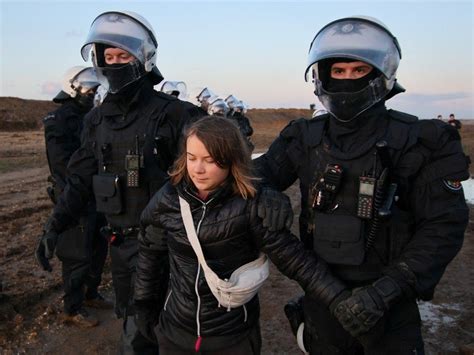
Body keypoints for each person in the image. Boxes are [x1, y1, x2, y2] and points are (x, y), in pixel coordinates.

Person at [255, 16, 470, 354]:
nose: (347, 80)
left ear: (380, 74)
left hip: (390, 302)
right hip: (321, 295)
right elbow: (255, 174)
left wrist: (385, 291)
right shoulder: (303, 136)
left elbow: (443, 226)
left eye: (358, 71)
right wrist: (265, 191)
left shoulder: (423, 140)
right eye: (338, 71)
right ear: (322, 75)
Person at [35, 10, 204, 354]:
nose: (114, 63)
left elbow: (213, 172)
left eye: (122, 55)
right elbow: (80, 178)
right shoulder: (96, 120)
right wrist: (55, 224)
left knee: (176, 331)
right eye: (107, 56)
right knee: (135, 327)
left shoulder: (176, 114)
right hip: (124, 248)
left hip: (174, 248)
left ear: (142, 57)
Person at [134, 116, 348, 355]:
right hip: (175, 332)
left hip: (232, 338)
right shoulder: (169, 197)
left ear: (231, 160)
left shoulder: (250, 206)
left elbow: (297, 262)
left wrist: (342, 302)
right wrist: (143, 303)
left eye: (210, 160)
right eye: (191, 158)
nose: (198, 169)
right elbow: (149, 252)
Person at [40, 66, 111, 328]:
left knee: (98, 247)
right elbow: (64, 165)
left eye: (95, 90)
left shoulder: (91, 117)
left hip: (96, 192)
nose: (93, 94)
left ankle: (91, 294)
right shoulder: (59, 120)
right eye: (90, 90)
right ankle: (72, 307)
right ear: (74, 89)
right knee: (77, 253)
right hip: (75, 194)